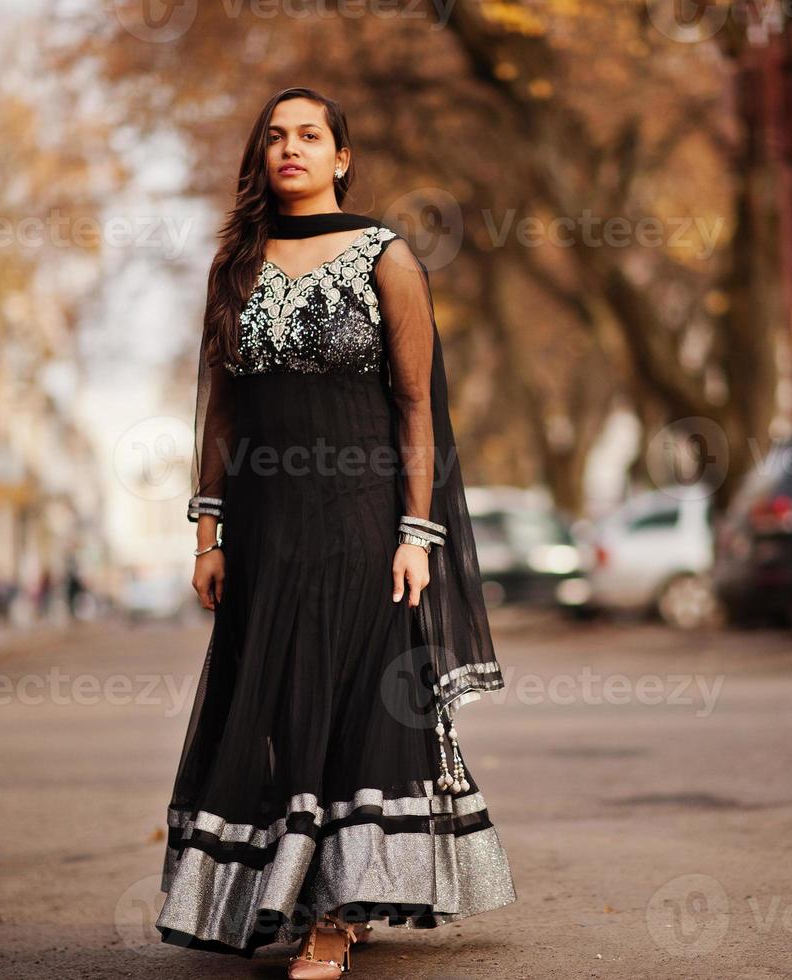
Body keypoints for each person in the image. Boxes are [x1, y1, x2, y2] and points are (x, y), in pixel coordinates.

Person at [154, 87, 516, 977]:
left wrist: (415, 533)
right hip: (264, 528)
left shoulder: (385, 256)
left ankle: (332, 916)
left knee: (347, 700)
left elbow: (416, 403)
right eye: (275, 136)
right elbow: (222, 414)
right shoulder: (233, 266)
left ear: (340, 157)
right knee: (272, 703)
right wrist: (209, 534)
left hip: (362, 520)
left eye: (309, 136)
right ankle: (273, 893)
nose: (291, 149)